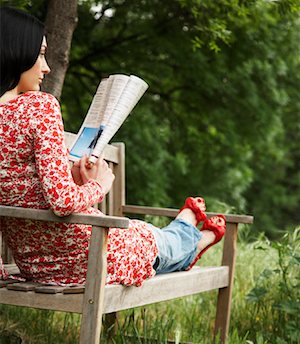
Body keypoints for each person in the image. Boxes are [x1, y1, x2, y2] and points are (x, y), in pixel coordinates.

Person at [0, 6, 226, 287]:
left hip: (37, 265)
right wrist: (99, 184)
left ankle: (185, 231)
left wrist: (73, 177)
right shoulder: (40, 106)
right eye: (41, 53)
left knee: (144, 233)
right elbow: (61, 203)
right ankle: (194, 237)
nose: (46, 67)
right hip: (87, 257)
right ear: (16, 49)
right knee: (150, 239)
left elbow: (27, 189)